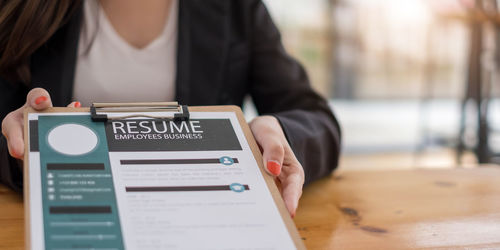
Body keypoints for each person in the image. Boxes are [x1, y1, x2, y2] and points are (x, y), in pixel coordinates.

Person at [0, 0, 341, 217]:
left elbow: (315, 118)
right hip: (76, 213)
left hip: (201, 219)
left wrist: (281, 137)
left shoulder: (239, 8)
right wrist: (15, 148)